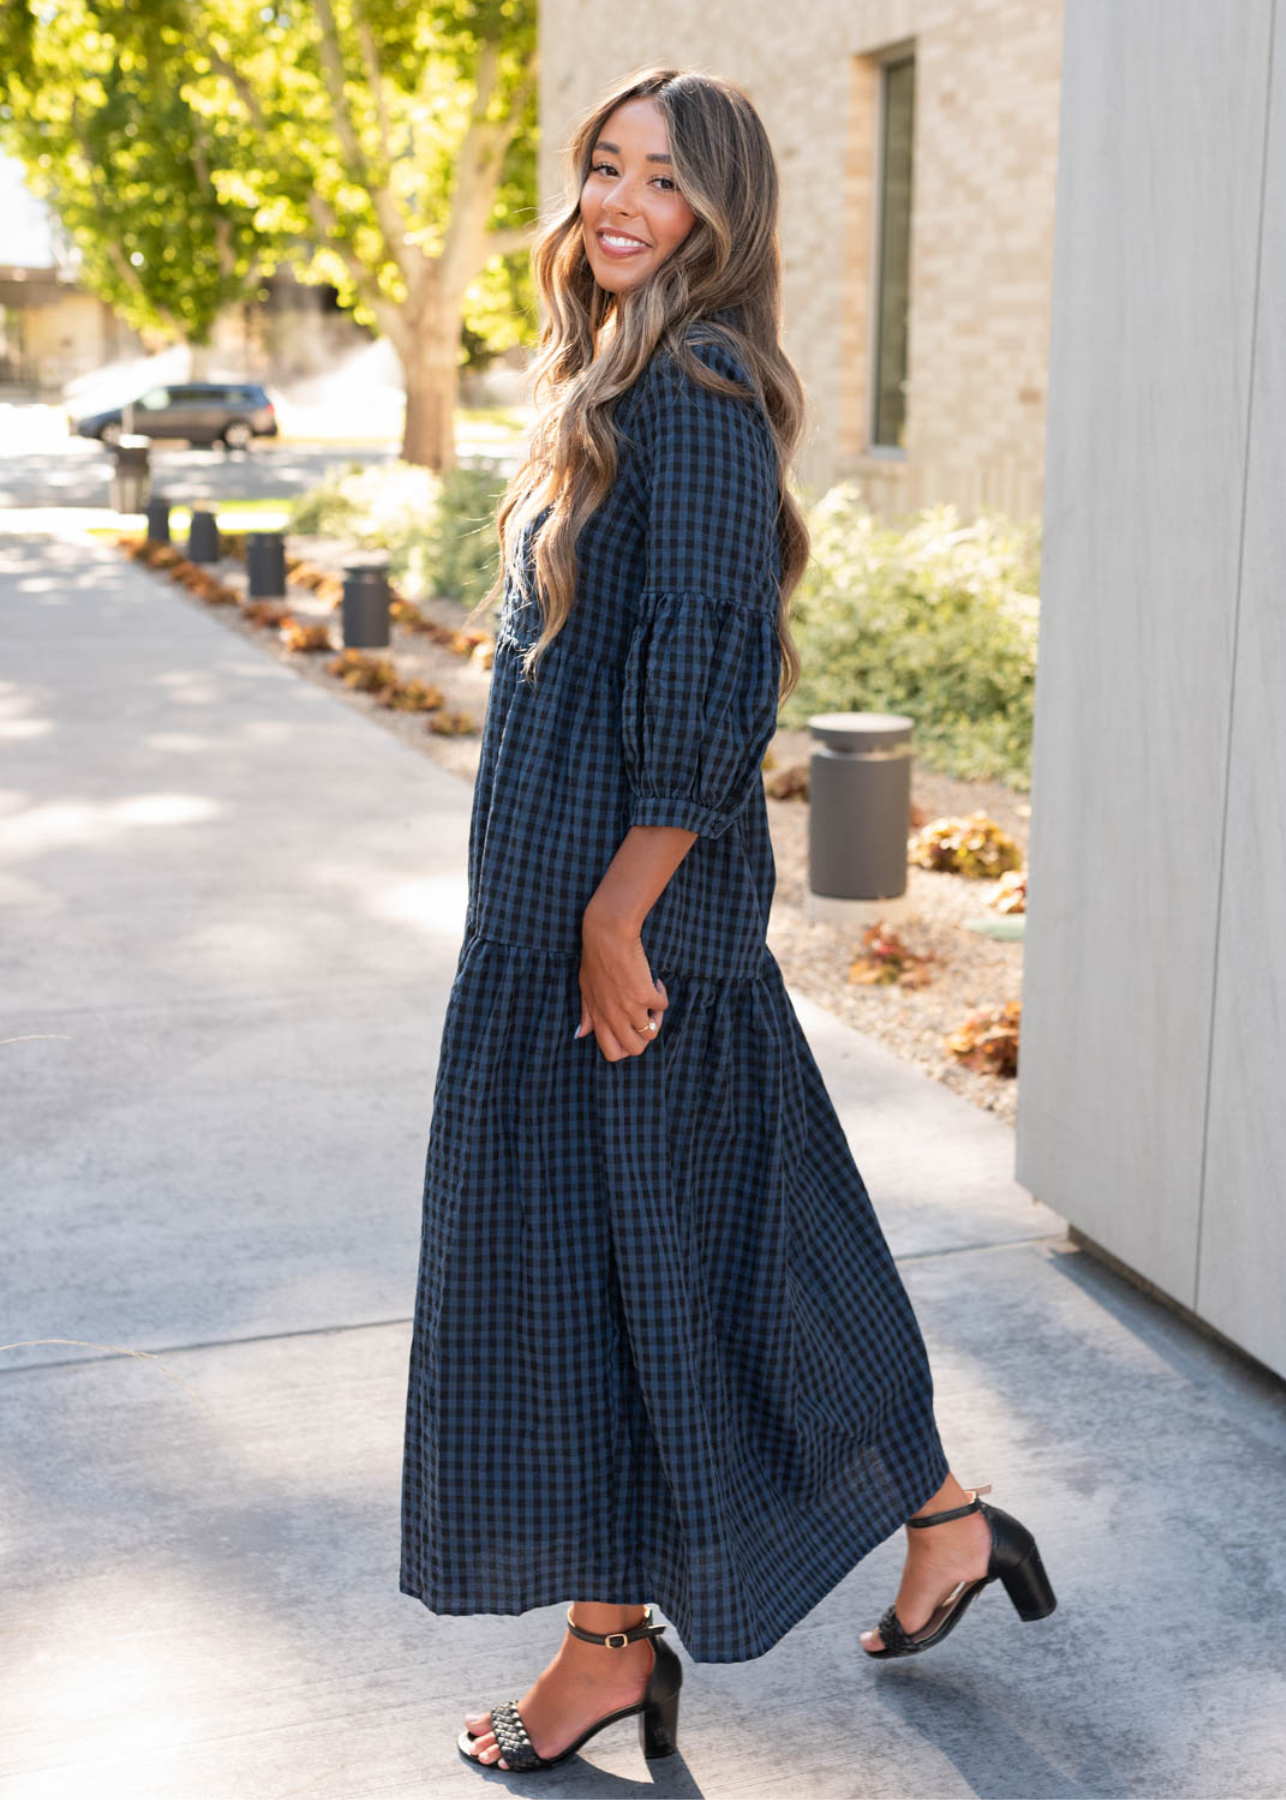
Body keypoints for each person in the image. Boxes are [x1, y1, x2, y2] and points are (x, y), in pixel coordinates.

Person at [399, 64, 1056, 1777]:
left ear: (721, 216)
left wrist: (617, 920)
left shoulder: (689, 395)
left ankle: (623, 1648)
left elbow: (715, 678)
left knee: (646, 1278)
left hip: (627, 932)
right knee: (701, 1270)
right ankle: (930, 1534)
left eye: (661, 182)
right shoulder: (613, 376)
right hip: (562, 919)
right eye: (602, 168)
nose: (617, 203)